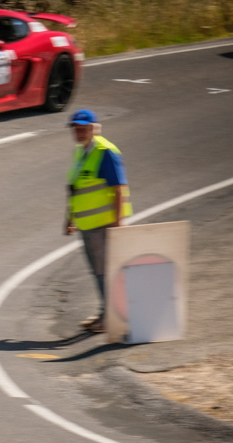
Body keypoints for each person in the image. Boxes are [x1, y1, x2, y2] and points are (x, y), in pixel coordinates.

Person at [64, 109, 132, 333]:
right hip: (87, 225)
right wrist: (70, 219)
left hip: (103, 224)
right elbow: (76, 188)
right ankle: (106, 313)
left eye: (83, 128)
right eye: (76, 128)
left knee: (105, 272)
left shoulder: (105, 152)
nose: (79, 132)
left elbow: (118, 188)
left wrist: (118, 224)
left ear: (94, 128)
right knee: (98, 271)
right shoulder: (80, 151)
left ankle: (111, 316)